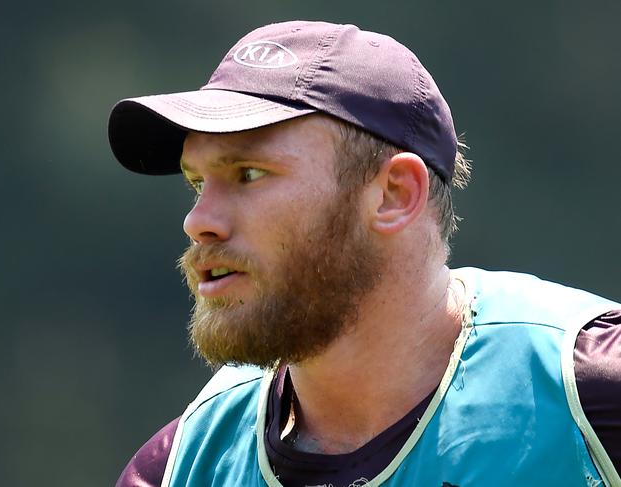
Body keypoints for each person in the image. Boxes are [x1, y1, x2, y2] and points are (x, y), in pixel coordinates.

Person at [107, 20, 621, 487]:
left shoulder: (593, 396)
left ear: (394, 194)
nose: (199, 222)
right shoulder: (181, 468)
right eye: (198, 182)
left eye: (249, 174)